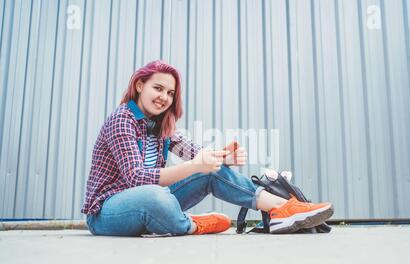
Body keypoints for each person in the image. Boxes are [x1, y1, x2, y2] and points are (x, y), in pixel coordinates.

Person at [82, 60, 333, 236]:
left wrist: (222, 157)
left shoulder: (161, 125)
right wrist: (194, 165)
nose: (164, 97)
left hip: (150, 204)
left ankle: (282, 209)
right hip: (107, 213)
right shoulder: (122, 119)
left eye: (170, 93)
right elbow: (135, 178)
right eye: (157, 88)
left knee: (208, 171)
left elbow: (197, 154)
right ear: (139, 86)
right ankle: (188, 224)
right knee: (155, 196)